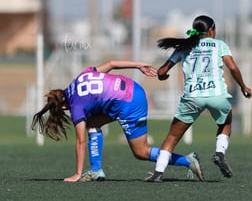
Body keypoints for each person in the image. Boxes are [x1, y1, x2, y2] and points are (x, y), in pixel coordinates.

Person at [31, 60, 204, 182]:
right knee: (93, 123)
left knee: (141, 152)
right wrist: (139, 66)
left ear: (62, 107)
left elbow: (81, 142)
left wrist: (77, 173)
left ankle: (187, 161)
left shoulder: (75, 105)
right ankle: (96, 170)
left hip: (130, 103)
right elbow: (112, 63)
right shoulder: (82, 76)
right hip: (132, 87)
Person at [145, 15, 252, 182]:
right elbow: (233, 68)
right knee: (226, 123)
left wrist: (163, 77)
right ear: (211, 31)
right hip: (216, 95)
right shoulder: (219, 45)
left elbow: (161, 72)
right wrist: (243, 86)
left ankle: (158, 173)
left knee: (172, 137)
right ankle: (219, 153)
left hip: (192, 96)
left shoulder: (184, 47)